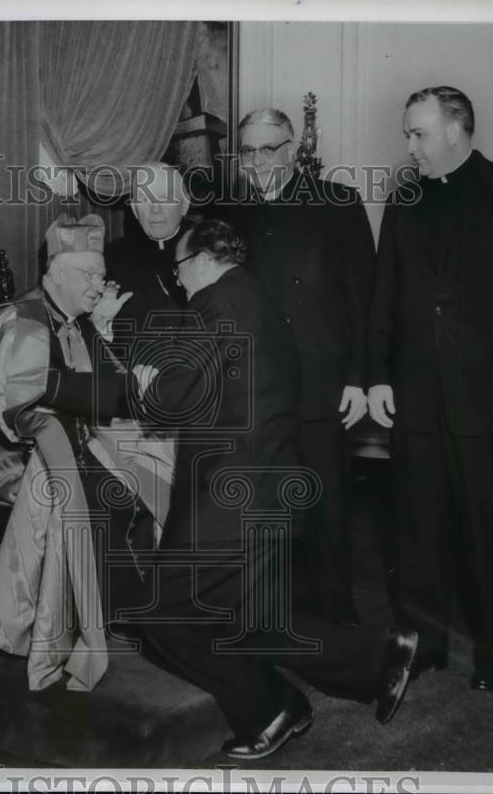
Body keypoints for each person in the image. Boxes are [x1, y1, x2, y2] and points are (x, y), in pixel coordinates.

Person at [135, 218, 417, 761]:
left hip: (228, 499)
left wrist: (145, 381)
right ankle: (374, 655)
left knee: (163, 615)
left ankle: (274, 708)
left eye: (178, 270)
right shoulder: (259, 303)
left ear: (202, 260)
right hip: (266, 488)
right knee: (251, 620)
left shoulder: (214, 305)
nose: (179, 284)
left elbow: (165, 402)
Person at [367, 86, 493, 691]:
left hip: (488, 395)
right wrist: (374, 375)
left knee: (485, 528)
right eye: (407, 134)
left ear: (455, 130)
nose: (409, 146)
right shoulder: (406, 197)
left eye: (418, 133)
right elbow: (383, 295)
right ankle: (426, 649)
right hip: (417, 396)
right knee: (419, 530)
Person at [0, 213, 172, 693]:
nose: (99, 285)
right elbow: (29, 394)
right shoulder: (25, 318)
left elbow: (100, 379)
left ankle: (129, 608)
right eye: (89, 275)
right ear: (55, 273)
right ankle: (93, 618)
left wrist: (122, 368)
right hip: (3, 448)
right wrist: (119, 392)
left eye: (101, 274)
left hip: (63, 435)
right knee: (105, 485)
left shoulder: (75, 318)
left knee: (154, 460)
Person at [212, 108, 376, 626]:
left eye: (268, 149)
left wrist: (360, 378)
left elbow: (365, 300)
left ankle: (337, 623)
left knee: (326, 510)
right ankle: (275, 622)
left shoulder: (337, 203)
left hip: (322, 388)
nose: (258, 161)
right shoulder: (229, 213)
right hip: (256, 391)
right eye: (248, 151)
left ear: (291, 149)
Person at [104, 162, 190, 366]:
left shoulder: (209, 247)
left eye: (165, 197)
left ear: (185, 204)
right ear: (134, 209)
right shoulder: (111, 257)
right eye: (144, 199)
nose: (155, 209)